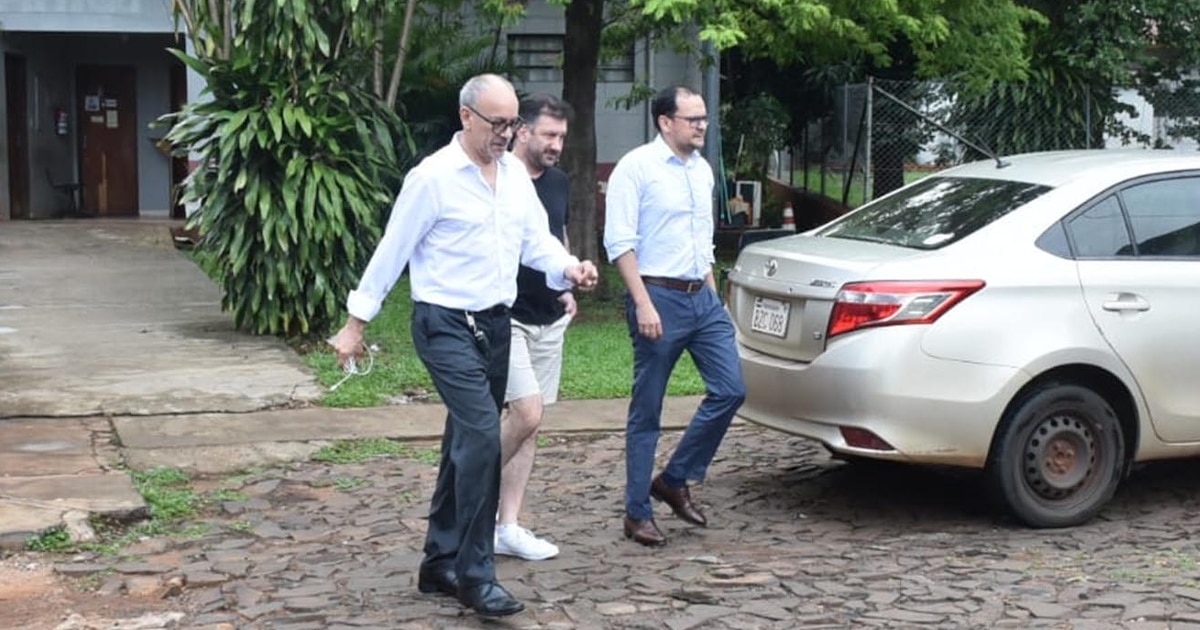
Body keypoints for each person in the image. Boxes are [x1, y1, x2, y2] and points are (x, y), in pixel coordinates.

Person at [328, 74, 598, 617]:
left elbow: (535, 242)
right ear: (466, 116)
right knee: (480, 439)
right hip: (444, 324)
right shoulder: (432, 178)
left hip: (496, 324)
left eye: (512, 123)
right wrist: (356, 323)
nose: (506, 133)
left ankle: (438, 563)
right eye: (497, 123)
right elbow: (392, 250)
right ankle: (477, 575)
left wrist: (568, 268)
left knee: (464, 444)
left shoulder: (514, 177)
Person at [602, 85, 747, 547]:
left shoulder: (702, 170)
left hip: (701, 297)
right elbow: (619, 241)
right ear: (665, 122)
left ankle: (674, 478)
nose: (702, 125)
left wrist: (713, 297)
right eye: (693, 119)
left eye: (704, 117)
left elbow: (701, 240)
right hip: (658, 295)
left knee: (731, 389)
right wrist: (642, 302)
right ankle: (636, 513)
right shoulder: (636, 168)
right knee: (648, 409)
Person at [495, 94, 574, 561]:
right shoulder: (498, 179)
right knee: (523, 414)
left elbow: (555, 236)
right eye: (548, 135)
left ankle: (507, 526)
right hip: (506, 316)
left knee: (531, 424)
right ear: (522, 131)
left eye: (561, 137)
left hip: (550, 318)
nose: (556, 145)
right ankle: (463, 498)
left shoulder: (559, 181)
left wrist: (567, 281)